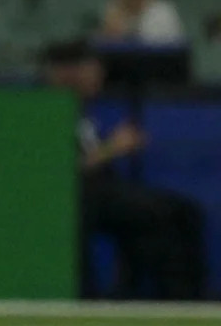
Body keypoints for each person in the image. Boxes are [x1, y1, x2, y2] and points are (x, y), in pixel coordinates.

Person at [42, 40, 205, 300]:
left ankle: (188, 299)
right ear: (66, 72)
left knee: (185, 212)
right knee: (155, 214)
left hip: (106, 190)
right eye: (90, 69)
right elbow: (56, 169)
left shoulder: (84, 110)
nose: (98, 77)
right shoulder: (45, 111)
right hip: (77, 196)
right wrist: (113, 148)